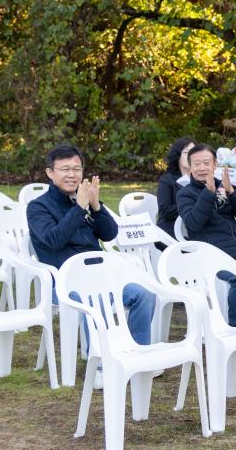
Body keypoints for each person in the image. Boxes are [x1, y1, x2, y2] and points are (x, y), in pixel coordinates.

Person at [27, 145, 157, 379]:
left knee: (144, 295)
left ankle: (139, 356)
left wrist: (96, 206)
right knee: (96, 301)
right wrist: (79, 208)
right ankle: (101, 366)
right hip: (66, 284)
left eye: (77, 169)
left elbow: (109, 233)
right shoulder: (38, 207)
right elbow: (54, 240)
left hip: (102, 278)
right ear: (50, 173)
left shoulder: (84, 200)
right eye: (65, 169)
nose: (72, 174)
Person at [177, 143, 236, 326]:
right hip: (211, 258)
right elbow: (193, 223)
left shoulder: (225, 186)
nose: (202, 168)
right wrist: (208, 193)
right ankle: (235, 325)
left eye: (207, 163)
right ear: (190, 167)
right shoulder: (185, 194)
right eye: (197, 164)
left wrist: (233, 193)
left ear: (215, 165)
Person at [157, 137, 194, 239]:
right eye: (186, 152)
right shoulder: (167, 180)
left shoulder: (202, 180)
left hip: (196, 231)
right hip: (170, 232)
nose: (190, 156)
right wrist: (192, 205)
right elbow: (165, 211)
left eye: (193, 152)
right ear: (178, 157)